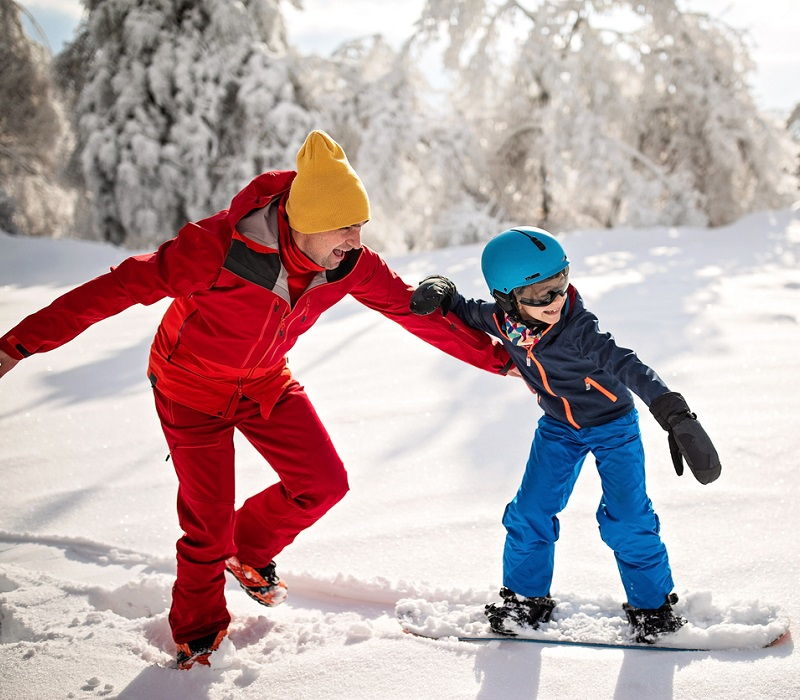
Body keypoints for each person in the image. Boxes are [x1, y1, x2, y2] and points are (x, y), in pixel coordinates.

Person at [0, 130, 514, 669]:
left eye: (360, 225)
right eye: (343, 227)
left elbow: (411, 312)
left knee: (322, 484)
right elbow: (113, 290)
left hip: (265, 382)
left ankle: (246, 551)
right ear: (305, 219)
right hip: (189, 391)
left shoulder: (348, 264)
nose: (355, 240)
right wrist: (16, 345)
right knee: (206, 522)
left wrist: (501, 361)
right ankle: (198, 631)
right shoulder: (213, 251)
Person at [409, 226, 721, 643]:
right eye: (539, 295)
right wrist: (442, 289)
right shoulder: (504, 319)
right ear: (508, 299)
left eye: (560, 284)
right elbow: (466, 311)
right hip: (558, 429)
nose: (555, 301)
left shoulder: (578, 328)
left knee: (627, 519)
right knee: (529, 513)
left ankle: (653, 609)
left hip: (613, 428)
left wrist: (673, 411)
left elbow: (627, 364)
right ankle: (526, 600)